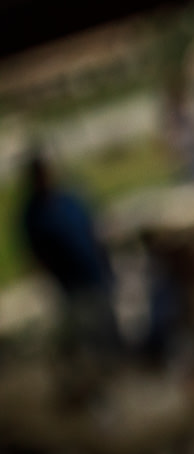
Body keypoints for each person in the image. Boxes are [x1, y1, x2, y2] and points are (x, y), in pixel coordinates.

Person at [20, 150, 121, 360]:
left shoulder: (71, 199)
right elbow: (36, 256)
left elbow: (95, 228)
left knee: (109, 326)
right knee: (89, 334)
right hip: (72, 285)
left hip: (96, 272)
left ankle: (118, 361)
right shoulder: (33, 214)